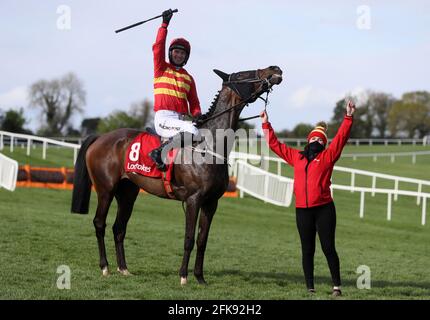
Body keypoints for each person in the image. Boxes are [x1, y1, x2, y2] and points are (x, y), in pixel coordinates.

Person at [260, 100, 356, 296]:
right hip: (302, 210)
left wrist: (349, 116)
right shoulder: (297, 157)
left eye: (321, 141)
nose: (317, 142)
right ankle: (309, 287)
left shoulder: (328, 156)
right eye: (314, 139)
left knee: (328, 248)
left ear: (324, 144)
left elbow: (341, 138)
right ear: (308, 140)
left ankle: (336, 286)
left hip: (324, 209)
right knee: (307, 250)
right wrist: (265, 124)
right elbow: (275, 145)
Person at [148, 9, 205, 171]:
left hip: (179, 120)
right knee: (192, 130)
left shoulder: (189, 78)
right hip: (164, 119)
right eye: (176, 51)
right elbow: (158, 47)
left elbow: (194, 103)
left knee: (200, 132)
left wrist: (198, 115)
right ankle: (159, 152)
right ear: (170, 53)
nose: (179, 55)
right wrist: (164, 26)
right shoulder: (161, 68)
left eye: (182, 53)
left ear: (186, 57)